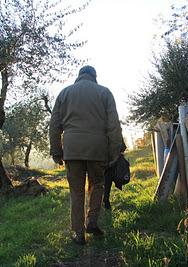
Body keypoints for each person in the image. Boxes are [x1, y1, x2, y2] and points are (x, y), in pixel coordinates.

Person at [49, 65, 124, 245]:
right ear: (94, 76)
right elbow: (114, 125)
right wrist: (115, 151)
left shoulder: (64, 93)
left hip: (72, 150)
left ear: (79, 76)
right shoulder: (104, 93)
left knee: (76, 191)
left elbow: (54, 126)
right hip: (97, 149)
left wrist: (56, 151)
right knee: (97, 185)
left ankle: (78, 233)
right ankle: (92, 222)